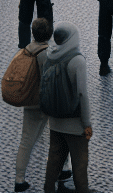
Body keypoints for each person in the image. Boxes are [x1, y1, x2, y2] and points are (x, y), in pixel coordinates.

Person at [11, 17, 71, 193]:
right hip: (48, 103)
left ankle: (19, 179)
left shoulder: (26, 50)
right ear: (49, 33)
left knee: (26, 140)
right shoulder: (48, 53)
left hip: (30, 102)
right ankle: (63, 170)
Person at [41, 22, 93, 193]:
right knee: (80, 165)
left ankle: (48, 190)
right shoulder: (77, 60)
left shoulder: (49, 56)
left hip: (55, 122)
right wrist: (86, 124)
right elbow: (82, 95)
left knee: (53, 162)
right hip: (74, 124)